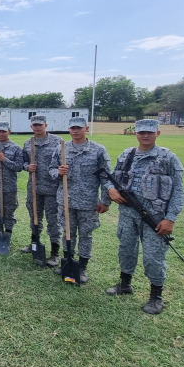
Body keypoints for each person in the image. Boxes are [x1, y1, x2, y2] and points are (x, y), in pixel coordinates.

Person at [105, 119, 184, 315]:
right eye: (141, 132)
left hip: (155, 217)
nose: (145, 135)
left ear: (158, 133)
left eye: (150, 132)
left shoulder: (168, 158)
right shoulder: (127, 155)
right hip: (127, 214)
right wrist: (111, 191)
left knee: (153, 257)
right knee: (126, 250)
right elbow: (112, 178)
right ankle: (125, 284)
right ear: (136, 134)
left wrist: (171, 218)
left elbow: (179, 191)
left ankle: (156, 296)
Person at [49, 117, 114, 283]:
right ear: (69, 129)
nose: (75, 131)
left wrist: (106, 201)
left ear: (86, 128)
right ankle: (68, 262)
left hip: (88, 202)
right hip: (66, 200)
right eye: (72, 128)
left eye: (79, 128)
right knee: (67, 233)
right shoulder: (62, 149)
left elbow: (106, 177)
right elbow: (51, 170)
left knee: (85, 235)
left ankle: (82, 267)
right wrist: (58, 172)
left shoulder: (98, 150)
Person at [21, 115, 63, 267]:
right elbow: (23, 161)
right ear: (31, 127)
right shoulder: (28, 143)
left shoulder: (57, 142)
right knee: (34, 218)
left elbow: (63, 161)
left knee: (54, 221)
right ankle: (34, 244)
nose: (37, 127)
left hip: (52, 188)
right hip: (34, 188)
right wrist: (27, 167)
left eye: (40, 125)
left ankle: (55, 253)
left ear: (46, 125)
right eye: (35, 125)